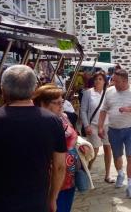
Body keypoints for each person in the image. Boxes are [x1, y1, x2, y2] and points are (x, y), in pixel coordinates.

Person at [0, 65, 67, 212]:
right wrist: (52, 198)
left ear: (3, 89)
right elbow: (60, 166)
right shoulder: (52, 121)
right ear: (33, 89)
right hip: (35, 201)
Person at [33, 84, 90, 212]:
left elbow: (73, 135)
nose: (61, 105)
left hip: (69, 177)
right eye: (57, 103)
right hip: (51, 181)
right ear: (42, 104)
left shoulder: (63, 117)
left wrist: (80, 145)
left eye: (62, 101)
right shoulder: (38, 123)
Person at [97, 69, 131, 199]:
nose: (114, 83)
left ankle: (130, 186)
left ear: (125, 81)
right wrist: (100, 127)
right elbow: (103, 110)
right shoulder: (109, 91)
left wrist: (129, 109)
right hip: (113, 129)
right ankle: (120, 173)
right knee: (117, 155)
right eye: (113, 80)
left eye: (117, 81)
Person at [80, 71, 114, 184]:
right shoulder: (88, 93)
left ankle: (108, 174)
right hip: (93, 125)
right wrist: (86, 125)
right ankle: (87, 170)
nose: (97, 81)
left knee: (108, 148)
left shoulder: (108, 93)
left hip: (107, 124)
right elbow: (83, 110)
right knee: (94, 150)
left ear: (104, 81)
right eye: (95, 79)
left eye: (100, 79)